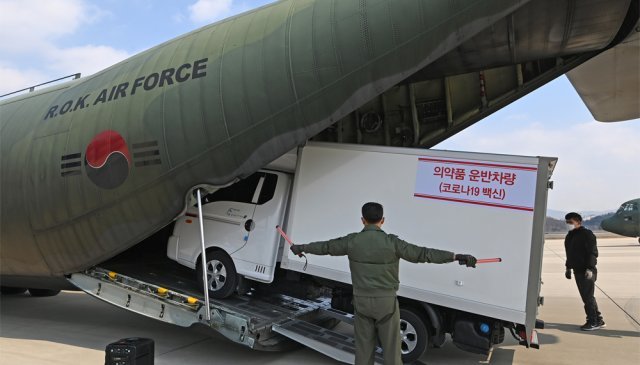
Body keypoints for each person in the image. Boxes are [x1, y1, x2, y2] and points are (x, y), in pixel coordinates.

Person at [290, 202, 477, 365]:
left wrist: (302, 248)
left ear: (362, 220)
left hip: (362, 301)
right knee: (391, 349)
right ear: (383, 220)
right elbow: (424, 254)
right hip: (386, 303)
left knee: (363, 349)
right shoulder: (392, 243)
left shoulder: (352, 241)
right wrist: (454, 257)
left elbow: (326, 247)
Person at [564, 212, 605, 331]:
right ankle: (598, 319)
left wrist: (590, 268)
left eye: (570, 222)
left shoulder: (587, 234)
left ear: (578, 222)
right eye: (567, 222)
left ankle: (592, 321)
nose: (568, 225)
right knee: (587, 297)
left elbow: (592, 252)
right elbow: (569, 254)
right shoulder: (569, 236)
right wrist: (568, 268)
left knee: (588, 297)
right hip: (577, 270)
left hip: (586, 270)